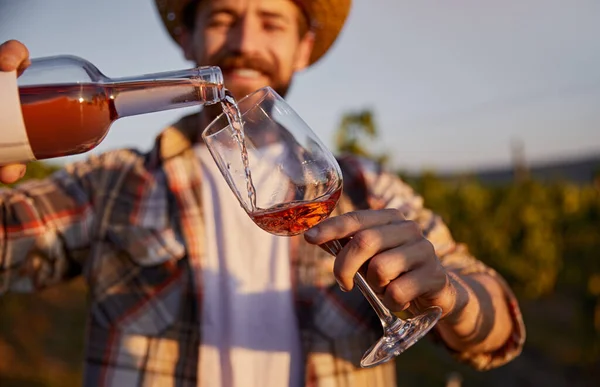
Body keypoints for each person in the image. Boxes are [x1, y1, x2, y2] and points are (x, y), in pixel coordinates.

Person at [0, 0, 525, 386]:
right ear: (189, 40)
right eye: (224, 17)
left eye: (271, 22)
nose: (245, 42)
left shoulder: (367, 187)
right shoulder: (112, 183)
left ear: (302, 49)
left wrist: (452, 297)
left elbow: (498, 328)